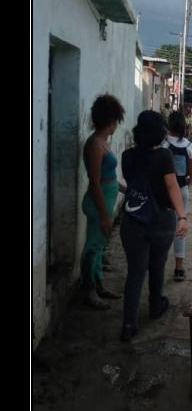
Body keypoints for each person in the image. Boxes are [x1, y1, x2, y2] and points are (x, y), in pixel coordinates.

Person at [119, 111, 189, 342]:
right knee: (157, 265)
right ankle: (155, 305)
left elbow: (134, 184)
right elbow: (172, 187)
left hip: (133, 220)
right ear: (159, 132)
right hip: (161, 220)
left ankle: (128, 324)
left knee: (135, 271)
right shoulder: (163, 156)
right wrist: (182, 216)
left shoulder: (127, 156)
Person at [80, 94, 126, 310]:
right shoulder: (95, 145)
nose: (117, 125)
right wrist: (105, 216)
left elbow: (109, 178)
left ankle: (98, 285)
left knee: (98, 248)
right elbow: (95, 183)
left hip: (105, 202)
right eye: (116, 120)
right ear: (111, 120)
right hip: (99, 205)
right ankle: (89, 291)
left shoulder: (101, 143)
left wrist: (124, 189)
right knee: (93, 248)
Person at [162, 110, 192, 281]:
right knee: (180, 228)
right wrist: (184, 186)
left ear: (169, 125)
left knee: (161, 226)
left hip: (163, 191)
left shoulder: (163, 144)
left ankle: (158, 263)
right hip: (182, 190)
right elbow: (191, 173)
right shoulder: (189, 146)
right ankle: (178, 267)